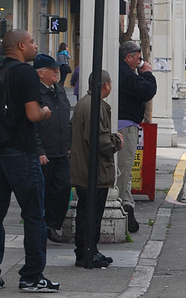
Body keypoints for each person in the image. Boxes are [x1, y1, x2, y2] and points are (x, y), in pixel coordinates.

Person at [0, 29, 60, 293]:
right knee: (35, 215)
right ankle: (32, 276)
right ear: (21, 45)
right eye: (33, 42)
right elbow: (33, 114)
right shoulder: (25, 73)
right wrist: (46, 112)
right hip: (20, 153)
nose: (36, 46)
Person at [70, 70, 124, 269]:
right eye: (109, 84)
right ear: (106, 86)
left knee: (86, 212)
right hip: (92, 170)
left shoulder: (84, 103)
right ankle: (87, 251)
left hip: (83, 167)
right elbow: (100, 141)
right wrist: (116, 141)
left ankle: (88, 249)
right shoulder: (94, 107)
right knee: (91, 213)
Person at [116, 41, 156, 234]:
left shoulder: (126, 72)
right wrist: (147, 73)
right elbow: (147, 91)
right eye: (138, 59)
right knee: (124, 168)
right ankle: (124, 206)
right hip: (125, 126)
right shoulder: (124, 74)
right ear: (129, 57)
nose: (141, 62)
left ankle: (126, 203)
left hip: (127, 124)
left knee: (126, 168)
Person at [33, 54, 71, 245]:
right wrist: (39, 150)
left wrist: (69, 145)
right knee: (43, 192)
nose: (57, 71)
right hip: (45, 152)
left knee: (63, 188)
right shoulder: (36, 93)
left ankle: (52, 224)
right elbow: (33, 126)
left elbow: (65, 117)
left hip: (62, 150)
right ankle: (41, 227)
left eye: (57, 68)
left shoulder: (59, 90)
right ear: (41, 73)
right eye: (53, 69)